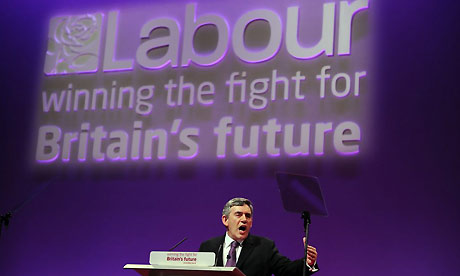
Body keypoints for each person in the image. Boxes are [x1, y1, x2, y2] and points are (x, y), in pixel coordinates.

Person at [199, 197, 319, 276]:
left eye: (248, 216)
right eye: (238, 215)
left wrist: (307, 263)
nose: (244, 219)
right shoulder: (209, 246)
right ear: (225, 220)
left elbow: (286, 270)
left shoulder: (264, 247)